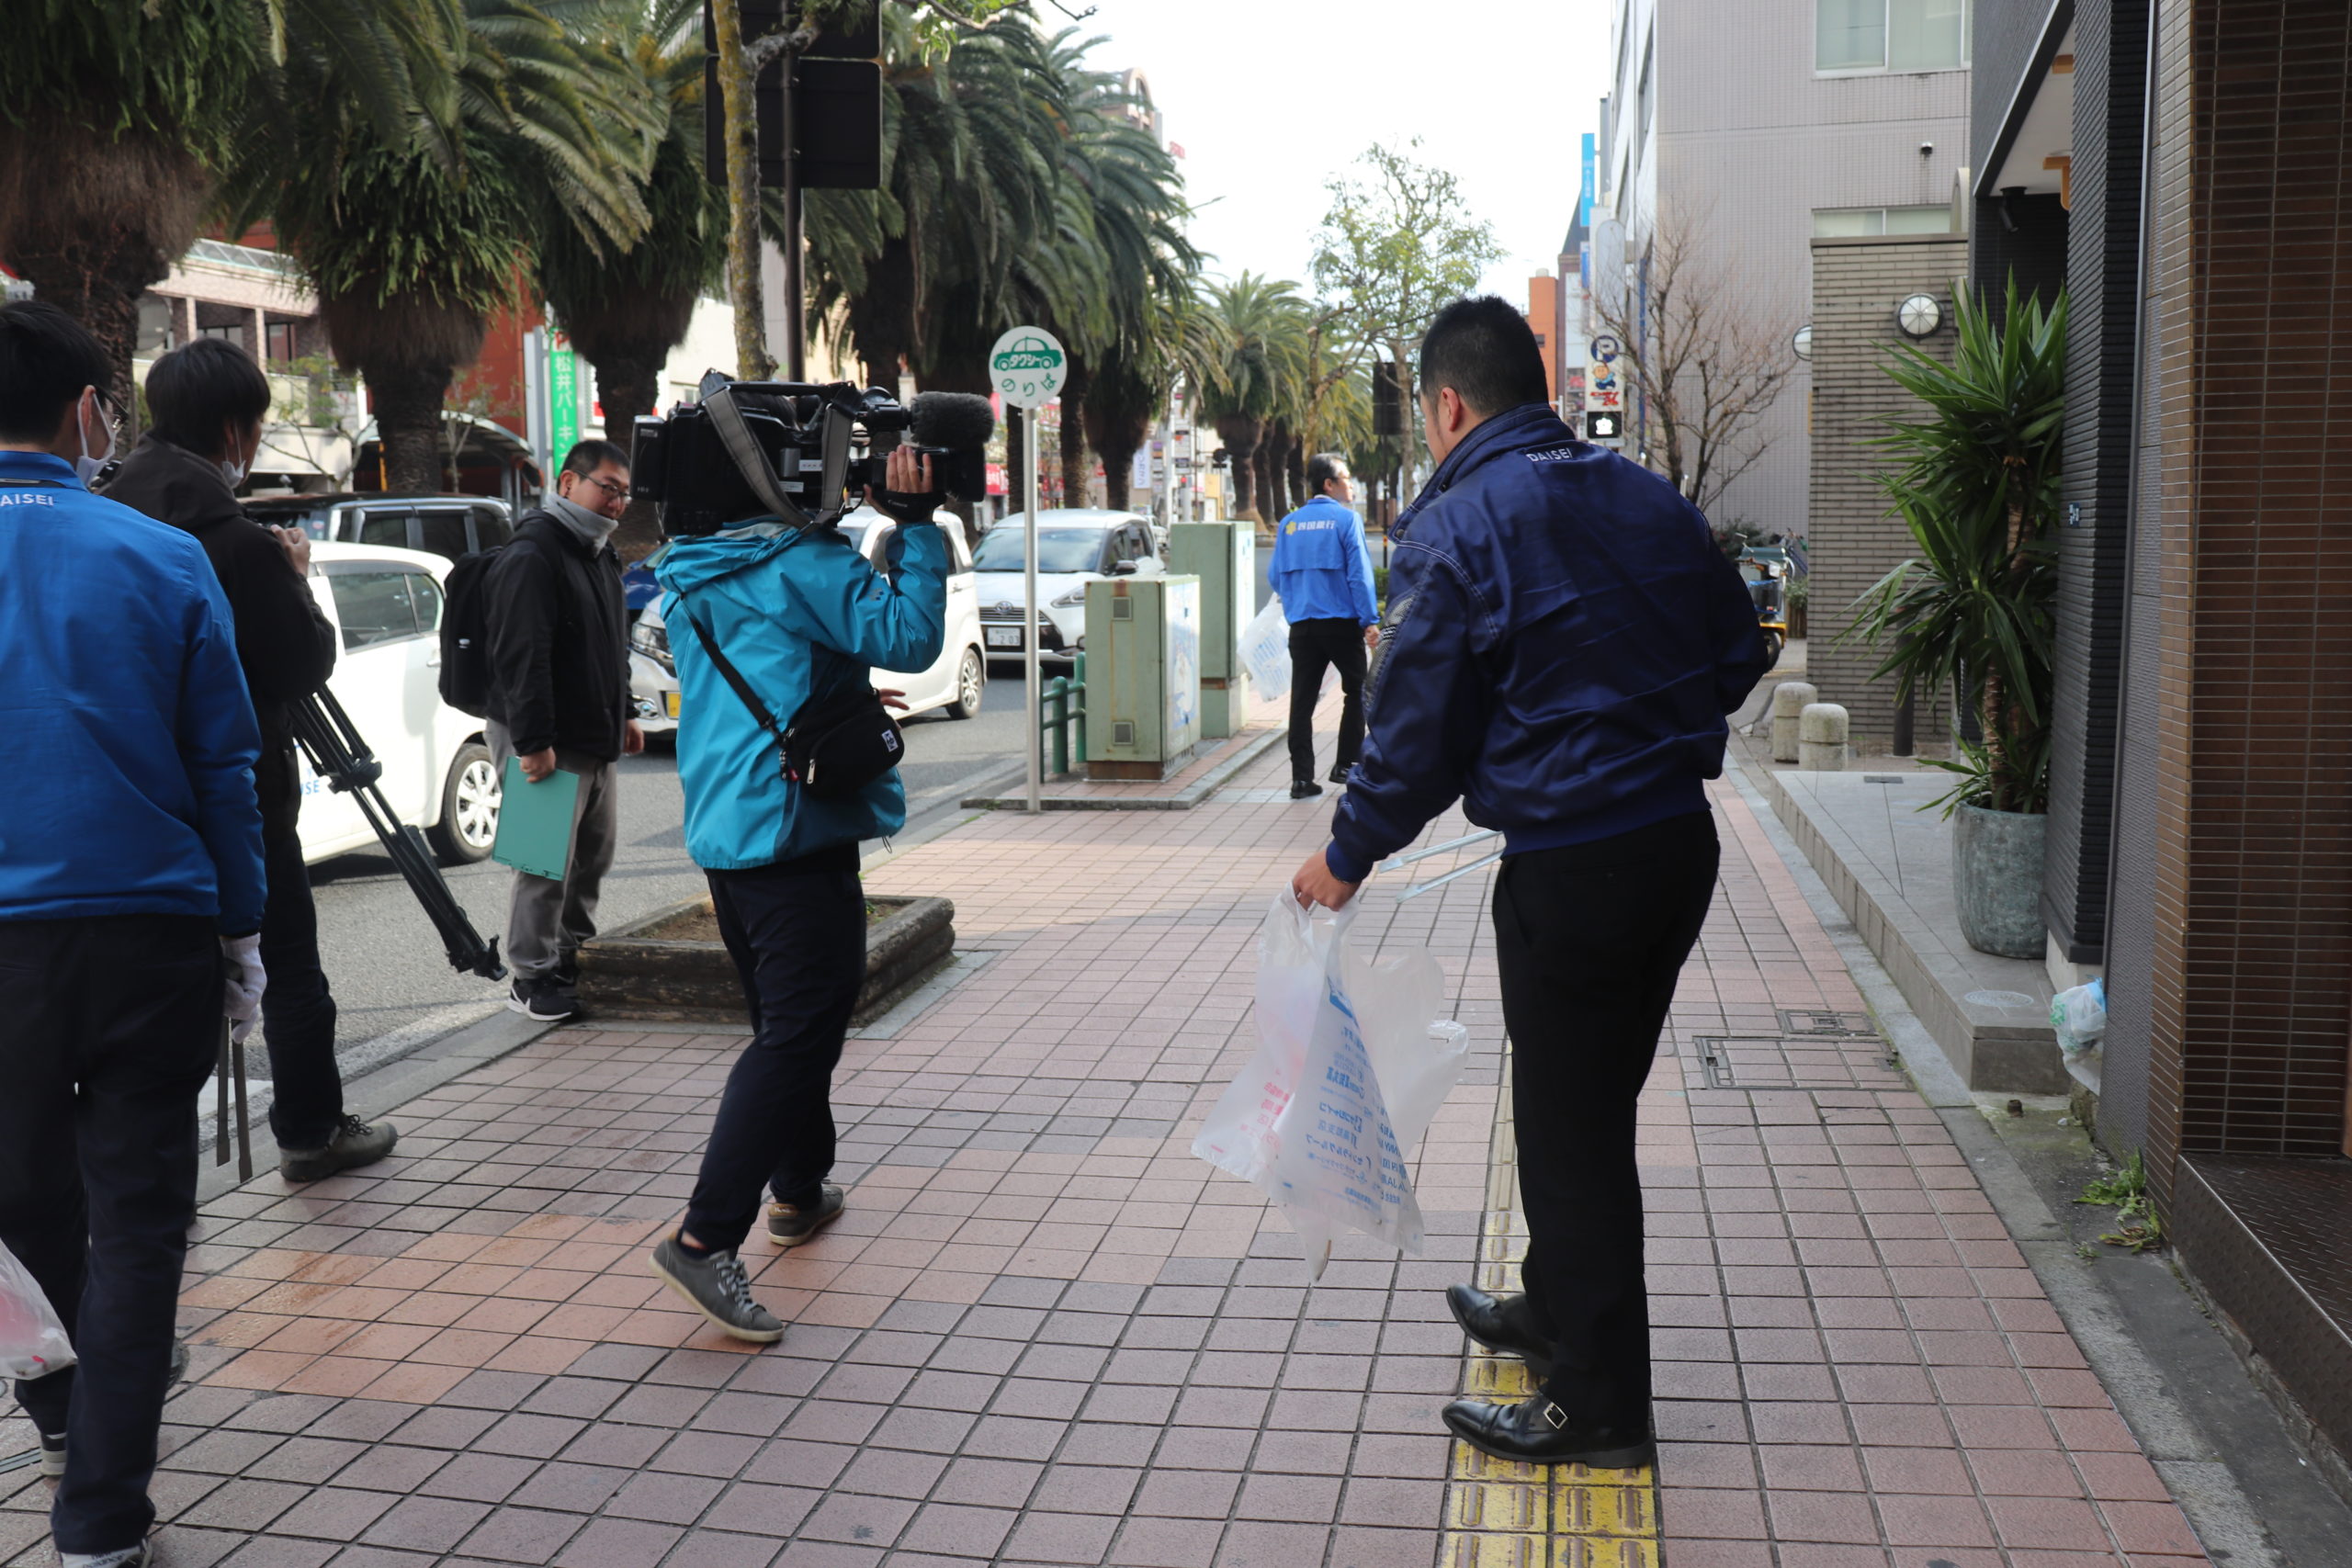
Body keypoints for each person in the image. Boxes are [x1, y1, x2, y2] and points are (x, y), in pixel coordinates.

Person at [1290, 296, 1769, 1469]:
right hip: (1675, 853)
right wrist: (1643, 731)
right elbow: (1742, 647)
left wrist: (1343, 857)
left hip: (1574, 870)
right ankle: (1553, 1309)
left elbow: (1410, 740)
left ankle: (1598, 1405)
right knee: (1583, 1109)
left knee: (1572, 1135)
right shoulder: (1646, 494)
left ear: (1447, 405)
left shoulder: (1455, 530)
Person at [0, 301, 269, 1568]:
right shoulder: (162, 557)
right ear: (83, 413)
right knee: (144, 1216)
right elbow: (226, 763)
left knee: (22, 1198)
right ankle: (101, 1519)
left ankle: (60, 1413)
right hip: (151, 930)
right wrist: (242, 925)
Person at [646, 445, 946, 1341]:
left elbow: (774, 667)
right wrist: (919, 527)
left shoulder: (694, 568)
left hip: (729, 834)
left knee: (790, 1024)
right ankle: (704, 1240)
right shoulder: (797, 563)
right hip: (793, 830)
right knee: (796, 1034)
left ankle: (800, 1189)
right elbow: (913, 638)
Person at [103, 339, 398, 1183]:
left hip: (135, 787)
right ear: (235, 431)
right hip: (240, 789)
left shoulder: (110, 513)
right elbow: (300, 665)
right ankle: (310, 1128)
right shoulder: (232, 539)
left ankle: (148, 1167)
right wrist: (297, 578)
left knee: (154, 977)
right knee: (288, 961)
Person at [482, 438, 643, 1022]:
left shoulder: (599, 553)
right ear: (569, 482)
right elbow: (522, 655)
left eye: (624, 494)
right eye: (608, 487)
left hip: (593, 730)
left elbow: (612, 643)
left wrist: (625, 709)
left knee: (591, 857)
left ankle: (570, 953)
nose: (617, 502)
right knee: (542, 859)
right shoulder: (534, 553)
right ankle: (530, 975)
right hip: (543, 736)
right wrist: (533, 743)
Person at [1268, 451, 1380, 799]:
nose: (1351, 484)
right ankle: (1345, 764)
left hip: (1302, 626)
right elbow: (1359, 575)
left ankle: (1301, 780)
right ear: (1329, 484)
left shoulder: (1289, 524)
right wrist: (1369, 620)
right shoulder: (1346, 521)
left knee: (1301, 702)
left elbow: (1274, 577)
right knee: (1356, 691)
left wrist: (1300, 598)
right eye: (1345, 477)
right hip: (1341, 623)